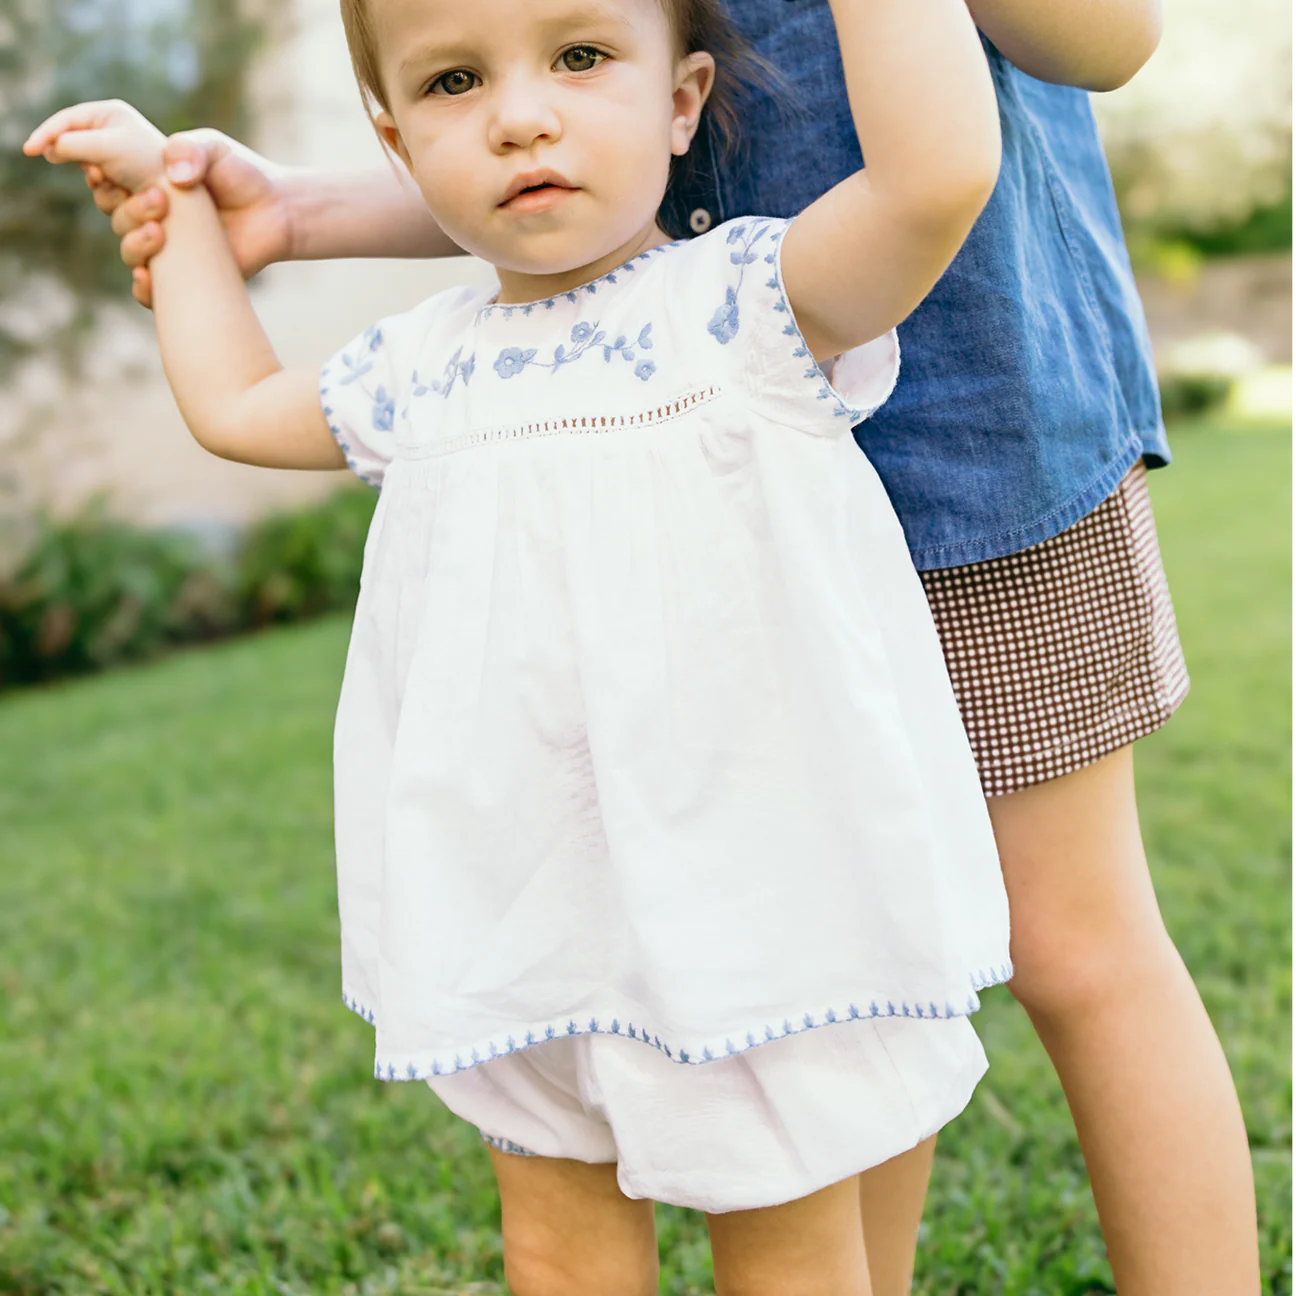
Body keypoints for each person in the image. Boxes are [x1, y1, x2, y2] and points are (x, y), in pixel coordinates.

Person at [26, 2, 1264, 1293]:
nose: (517, 111)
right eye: (458, 83)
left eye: (572, 61)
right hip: (621, 809)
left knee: (979, 1019)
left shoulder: (741, 305)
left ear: (681, 96)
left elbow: (974, 141)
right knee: (651, 1164)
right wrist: (203, 220)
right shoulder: (433, 365)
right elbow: (252, 389)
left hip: (965, 470)